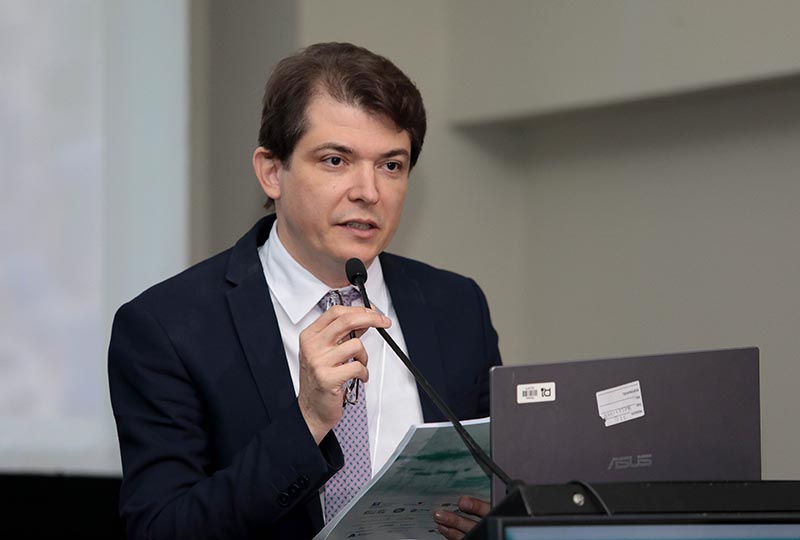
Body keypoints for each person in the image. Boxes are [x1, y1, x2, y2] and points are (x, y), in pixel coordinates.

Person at [108, 42, 500, 539]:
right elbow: (162, 529)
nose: (368, 191)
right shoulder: (166, 327)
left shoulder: (457, 306)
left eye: (391, 165)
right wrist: (308, 419)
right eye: (336, 160)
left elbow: (498, 485)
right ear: (272, 172)